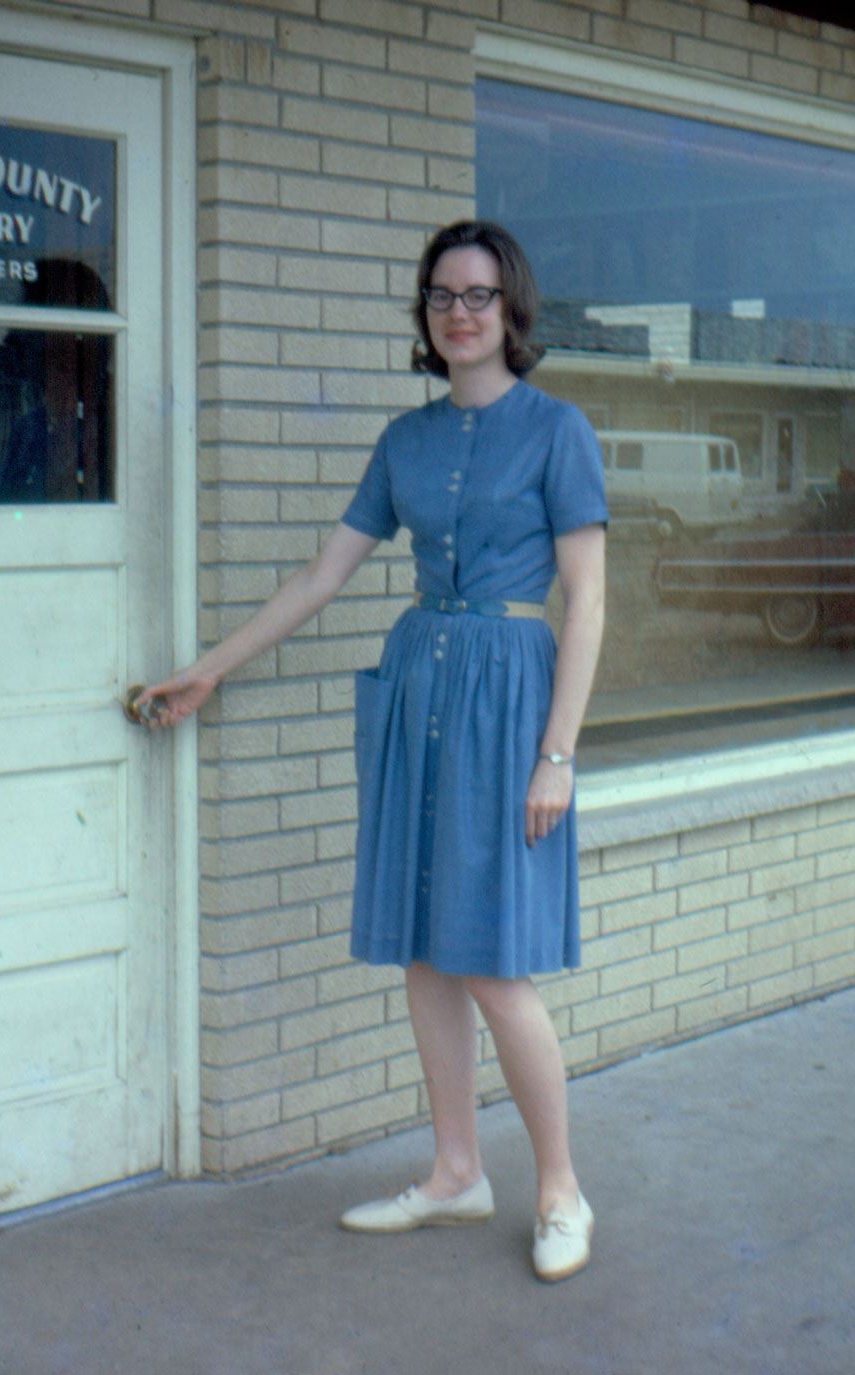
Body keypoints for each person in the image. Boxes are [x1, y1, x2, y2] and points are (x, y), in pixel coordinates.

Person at [137, 221, 607, 1283]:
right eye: (442, 294)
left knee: (493, 960)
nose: (459, 311)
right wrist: (211, 666)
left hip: (507, 696)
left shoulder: (557, 429)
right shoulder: (405, 439)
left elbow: (587, 600)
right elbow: (322, 575)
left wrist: (559, 753)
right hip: (420, 687)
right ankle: (453, 1170)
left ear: (512, 309)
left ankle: (560, 1186)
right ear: (425, 312)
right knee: (426, 948)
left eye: (480, 294)